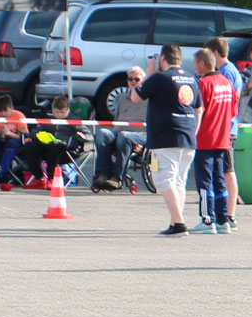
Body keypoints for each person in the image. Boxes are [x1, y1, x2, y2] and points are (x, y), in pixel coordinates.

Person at [132, 45, 198, 236]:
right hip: (187, 136)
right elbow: (199, 108)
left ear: (162, 58)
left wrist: (149, 75)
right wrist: (194, 131)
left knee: (162, 180)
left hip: (165, 137)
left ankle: (178, 223)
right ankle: (175, 220)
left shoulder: (159, 78)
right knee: (179, 181)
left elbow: (135, 96)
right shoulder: (191, 78)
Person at [190, 48, 237, 234]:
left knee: (204, 181)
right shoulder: (227, 83)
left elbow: (197, 110)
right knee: (219, 180)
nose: (194, 67)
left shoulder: (203, 84)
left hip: (205, 138)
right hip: (223, 138)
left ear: (202, 63)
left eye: (195, 63)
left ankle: (207, 219)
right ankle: (223, 219)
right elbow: (233, 111)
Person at [90, 66, 147, 192]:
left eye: (136, 79)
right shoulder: (122, 99)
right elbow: (116, 121)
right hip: (120, 133)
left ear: (143, 81)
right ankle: (103, 174)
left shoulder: (149, 100)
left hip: (140, 135)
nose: (133, 81)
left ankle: (117, 177)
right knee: (102, 133)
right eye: (130, 79)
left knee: (124, 136)